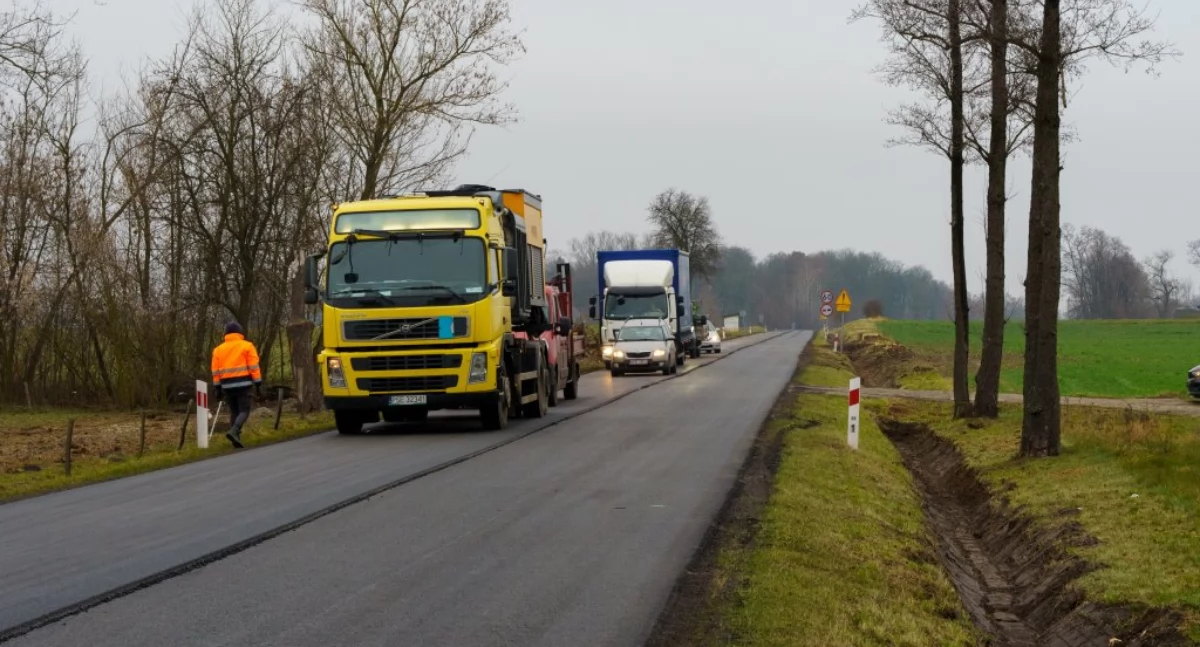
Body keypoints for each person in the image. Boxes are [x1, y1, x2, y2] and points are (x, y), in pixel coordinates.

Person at [211, 321, 262, 448]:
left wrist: (217, 388)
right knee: (244, 411)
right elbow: (253, 367)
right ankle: (234, 431)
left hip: (227, 386)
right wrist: (258, 383)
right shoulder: (247, 346)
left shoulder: (218, 350)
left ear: (226, 334)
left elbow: (215, 371)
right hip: (243, 384)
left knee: (234, 412)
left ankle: (235, 439)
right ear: (240, 332)